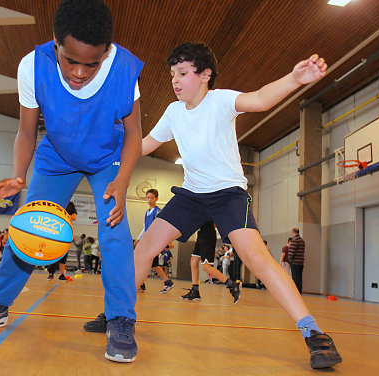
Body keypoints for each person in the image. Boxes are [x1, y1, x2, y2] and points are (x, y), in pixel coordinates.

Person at [134, 43, 341, 369]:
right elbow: (146, 144)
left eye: (183, 74)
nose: (175, 80)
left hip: (228, 193)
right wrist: (113, 147)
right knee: (144, 248)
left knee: (256, 257)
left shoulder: (220, 101)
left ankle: (313, 333)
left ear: (205, 76)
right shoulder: (174, 112)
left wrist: (294, 78)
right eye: (172, 74)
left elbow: (259, 99)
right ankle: (119, 315)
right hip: (191, 194)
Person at [0, 0, 143, 363]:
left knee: (114, 234)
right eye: (70, 60)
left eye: (91, 64)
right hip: (56, 155)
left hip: (106, 158)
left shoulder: (123, 68)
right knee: (29, 228)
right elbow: (27, 131)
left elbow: (135, 134)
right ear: (55, 43)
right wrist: (18, 174)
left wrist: (122, 181)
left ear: (106, 52)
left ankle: (121, 319)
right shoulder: (33, 65)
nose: (78, 72)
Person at [181, 220, 242, 303]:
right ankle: (195, 291)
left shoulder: (208, 208)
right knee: (193, 261)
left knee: (206, 267)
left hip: (207, 235)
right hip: (201, 234)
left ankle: (233, 285)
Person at [134, 188, 175, 293]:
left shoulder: (158, 211)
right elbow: (145, 227)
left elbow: (164, 226)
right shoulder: (147, 212)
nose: (149, 200)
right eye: (148, 197)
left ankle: (140, 283)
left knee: (146, 262)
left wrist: (169, 240)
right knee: (152, 264)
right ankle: (165, 282)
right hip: (147, 240)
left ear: (156, 198)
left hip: (154, 240)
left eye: (152, 197)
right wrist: (138, 238)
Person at [47, 201, 77, 280]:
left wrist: (72, 235)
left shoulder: (70, 205)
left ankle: (61, 274)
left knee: (64, 256)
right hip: (55, 233)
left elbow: (74, 218)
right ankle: (51, 273)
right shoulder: (57, 204)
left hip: (65, 234)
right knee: (52, 255)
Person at [289, 228, 305, 295]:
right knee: (299, 277)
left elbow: (292, 252)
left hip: (295, 262)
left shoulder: (294, 240)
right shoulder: (302, 241)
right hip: (301, 262)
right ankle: (299, 291)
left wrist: (289, 259)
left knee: (295, 277)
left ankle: (295, 292)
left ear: (293, 232)